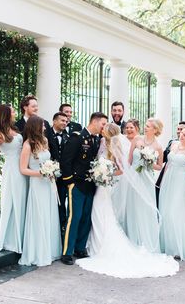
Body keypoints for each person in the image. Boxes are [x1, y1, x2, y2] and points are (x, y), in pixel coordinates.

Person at [76, 123, 179, 278]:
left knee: (101, 211)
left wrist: (106, 174)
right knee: (98, 212)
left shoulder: (119, 146)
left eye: (104, 128)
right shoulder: (102, 142)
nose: (101, 129)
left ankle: (100, 246)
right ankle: (94, 243)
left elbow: (123, 168)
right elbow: (127, 163)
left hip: (108, 183)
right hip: (101, 184)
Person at [60, 112, 108, 265]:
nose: (104, 127)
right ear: (94, 121)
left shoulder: (96, 140)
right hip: (77, 183)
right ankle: (67, 252)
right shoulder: (77, 137)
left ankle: (80, 248)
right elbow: (66, 161)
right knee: (73, 218)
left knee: (86, 218)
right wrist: (70, 181)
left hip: (90, 184)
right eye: (103, 124)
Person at [19, 115, 62, 266]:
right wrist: (41, 173)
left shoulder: (44, 141)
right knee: (39, 215)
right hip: (37, 184)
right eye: (43, 126)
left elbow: (48, 160)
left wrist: (51, 170)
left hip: (48, 184)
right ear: (36, 127)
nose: (45, 128)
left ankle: (49, 250)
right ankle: (38, 252)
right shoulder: (27, 145)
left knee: (49, 215)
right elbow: (23, 169)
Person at [159, 125, 185, 261]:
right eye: (181, 133)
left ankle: (176, 247)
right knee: (164, 211)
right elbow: (168, 164)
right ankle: (165, 245)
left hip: (181, 183)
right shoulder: (174, 145)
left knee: (175, 212)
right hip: (168, 180)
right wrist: (162, 180)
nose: (181, 136)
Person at [0, 104, 27, 253]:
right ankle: (8, 240)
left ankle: (20, 237)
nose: (14, 113)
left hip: (22, 169)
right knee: (10, 202)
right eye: (12, 111)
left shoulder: (16, 130)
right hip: (11, 169)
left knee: (21, 201)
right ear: (6, 114)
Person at [125, 118, 163, 253]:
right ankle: (131, 239)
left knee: (145, 208)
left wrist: (148, 162)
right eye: (145, 125)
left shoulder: (158, 147)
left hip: (147, 180)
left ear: (155, 130)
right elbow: (129, 160)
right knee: (133, 207)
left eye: (148, 126)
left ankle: (144, 239)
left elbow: (159, 166)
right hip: (134, 178)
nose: (145, 128)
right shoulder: (136, 139)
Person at [156, 121, 185, 207]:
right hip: (165, 174)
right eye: (178, 129)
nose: (178, 131)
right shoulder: (172, 142)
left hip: (181, 178)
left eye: (181, 129)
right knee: (159, 198)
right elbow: (163, 157)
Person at [47, 112, 69, 238]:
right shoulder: (46, 134)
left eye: (66, 121)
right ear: (54, 121)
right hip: (47, 175)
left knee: (61, 202)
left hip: (62, 177)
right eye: (62, 120)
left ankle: (61, 229)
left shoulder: (67, 136)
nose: (65, 123)